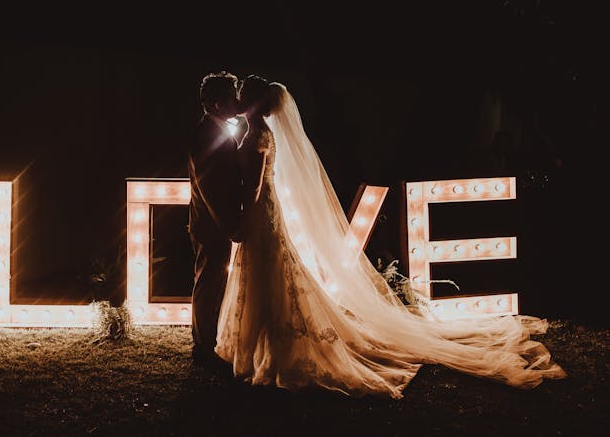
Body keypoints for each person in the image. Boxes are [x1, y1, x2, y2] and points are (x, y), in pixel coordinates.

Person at [215, 76, 566, 398]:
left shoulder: (256, 135)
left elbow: (257, 185)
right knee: (271, 272)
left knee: (269, 271)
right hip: (265, 212)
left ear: (258, 103)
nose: (239, 100)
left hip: (262, 212)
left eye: (244, 94)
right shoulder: (259, 132)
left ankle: (273, 343)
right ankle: (268, 339)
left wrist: (243, 215)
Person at [188, 71, 243, 366]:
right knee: (209, 280)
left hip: (216, 222)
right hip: (211, 223)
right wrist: (228, 224)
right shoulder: (206, 134)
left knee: (214, 278)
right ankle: (203, 345)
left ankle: (210, 339)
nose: (238, 101)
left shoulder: (218, 129)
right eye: (233, 96)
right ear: (217, 103)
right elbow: (210, 186)